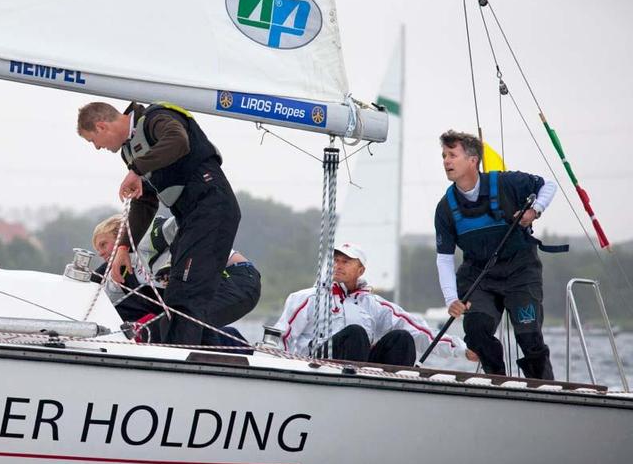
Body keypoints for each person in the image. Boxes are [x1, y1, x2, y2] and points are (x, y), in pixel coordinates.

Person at [77, 101, 240, 346]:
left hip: (212, 208)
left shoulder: (155, 118)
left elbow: (178, 141)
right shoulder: (130, 151)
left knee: (187, 291)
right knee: (176, 292)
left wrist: (136, 169)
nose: (98, 147)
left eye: (93, 141)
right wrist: (123, 248)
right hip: (190, 217)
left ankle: (179, 359)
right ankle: (188, 352)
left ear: (101, 126)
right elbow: (146, 202)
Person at [434, 129, 564, 380]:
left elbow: (548, 185)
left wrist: (534, 210)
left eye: (452, 155)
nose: (446, 161)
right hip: (479, 276)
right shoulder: (445, 208)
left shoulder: (507, 182)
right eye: (443, 156)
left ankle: (543, 388)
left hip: (520, 271)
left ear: (473, 160)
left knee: (529, 336)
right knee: (476, 329)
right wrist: (452, 298)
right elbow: (444, 257)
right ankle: (498, 382)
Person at [272, 243, 472, 366]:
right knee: (356, 334)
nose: (338, 265)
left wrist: (462, 350)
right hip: (315, 366)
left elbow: (420, 331)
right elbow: (283, 336)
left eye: (346, 261)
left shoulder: (375, 305)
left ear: (361, 270)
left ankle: (388, 396)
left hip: (360, 371)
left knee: (402, 338)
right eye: (336, 260)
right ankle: (351, 391)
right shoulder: (306, 298)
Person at [90, 213, 261, 346]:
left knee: (183, 324)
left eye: (104, 244)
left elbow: (186, 226)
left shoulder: (147, 236)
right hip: (201, 288)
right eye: (97, 250)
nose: (101, 253)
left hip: (237, 278)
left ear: (120, 233)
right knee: (171, 324)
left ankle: (236, 348)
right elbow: (105, 303)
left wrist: (173, 262)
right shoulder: (120, 271)